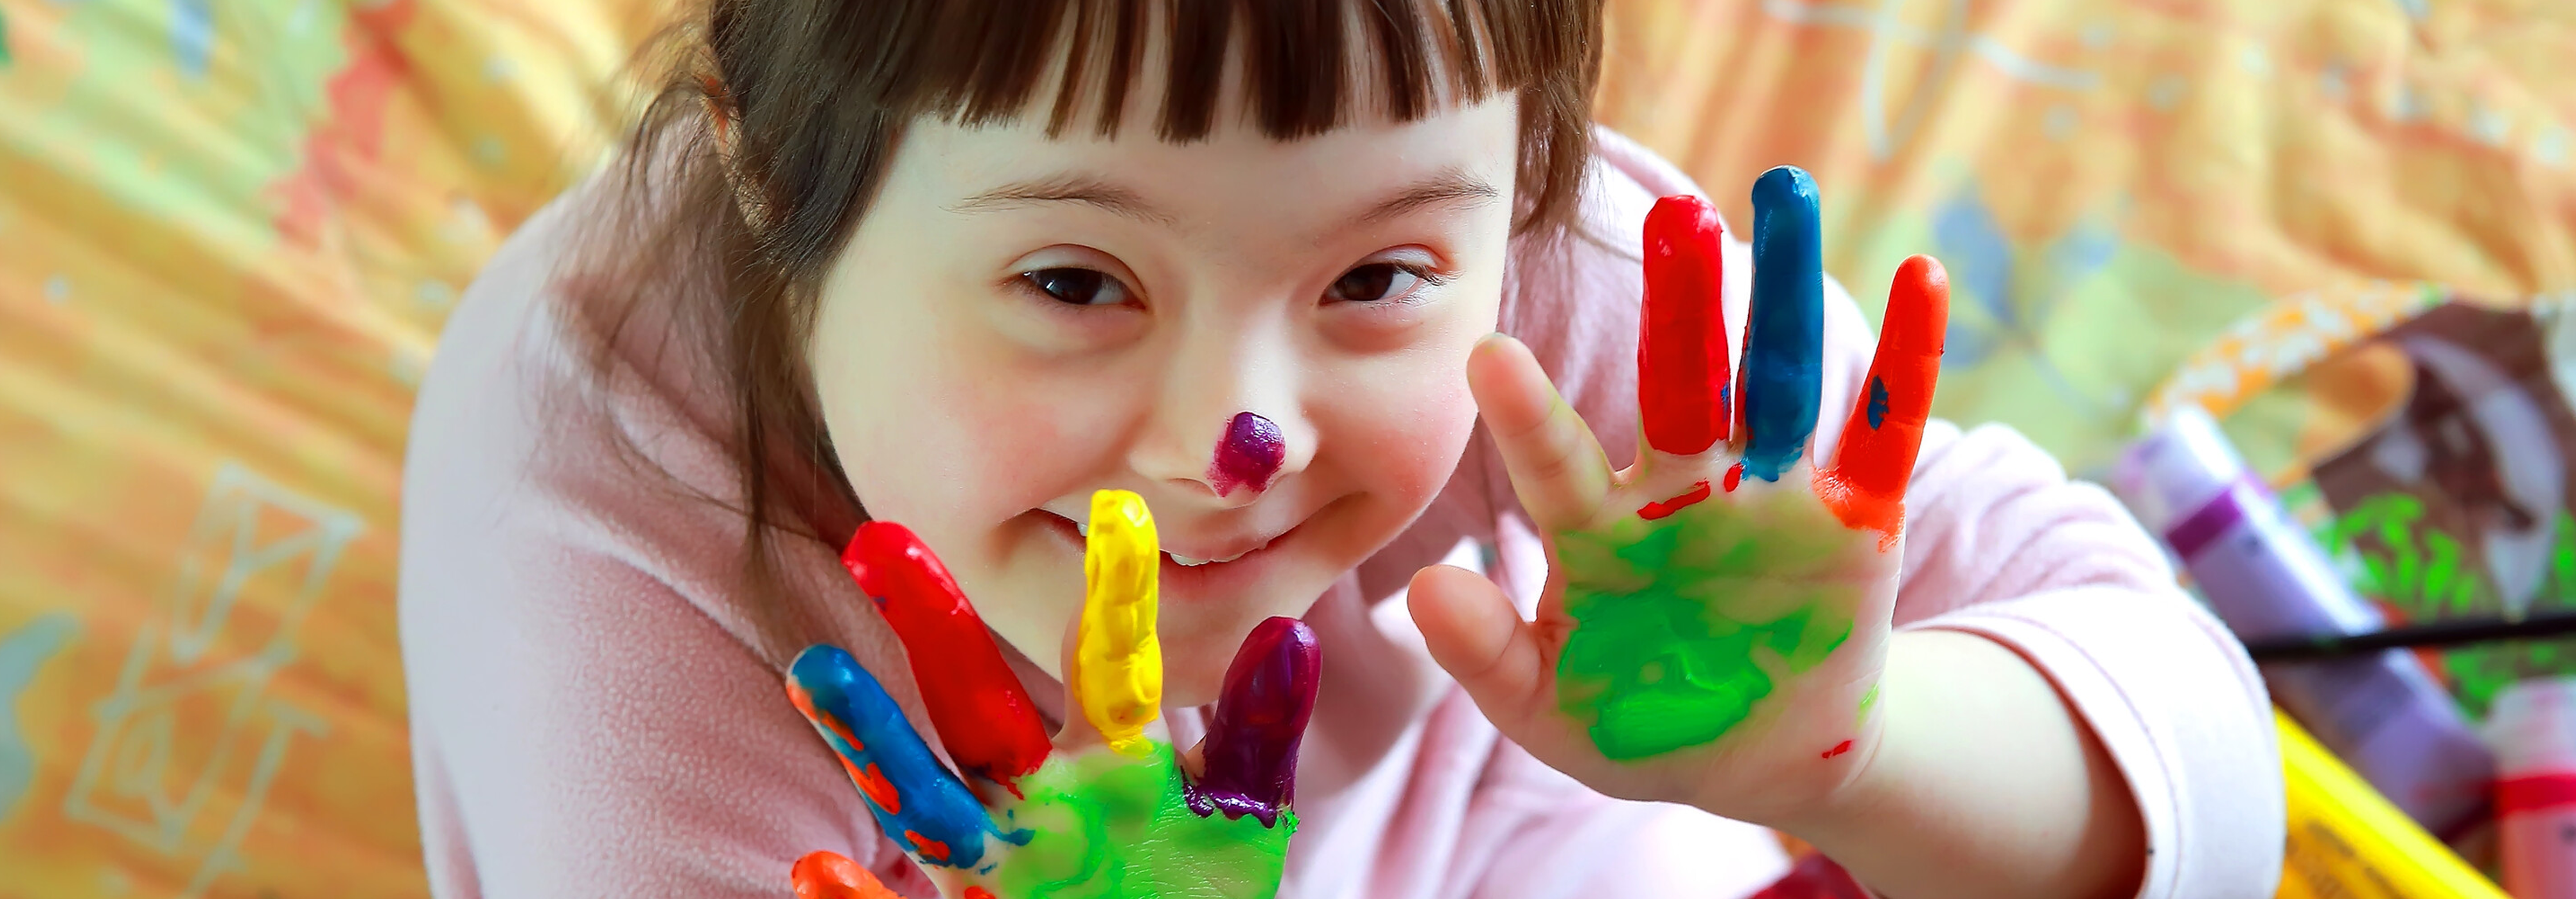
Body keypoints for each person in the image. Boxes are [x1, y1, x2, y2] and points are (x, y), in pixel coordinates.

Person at [396, 1, 2282, 897]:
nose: (1241, 441)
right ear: (756, 155)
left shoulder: (1565, 290)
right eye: (1073, 277)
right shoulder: (600, 533)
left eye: (1380, 270)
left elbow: (2205, 789)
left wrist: (1858, 747)